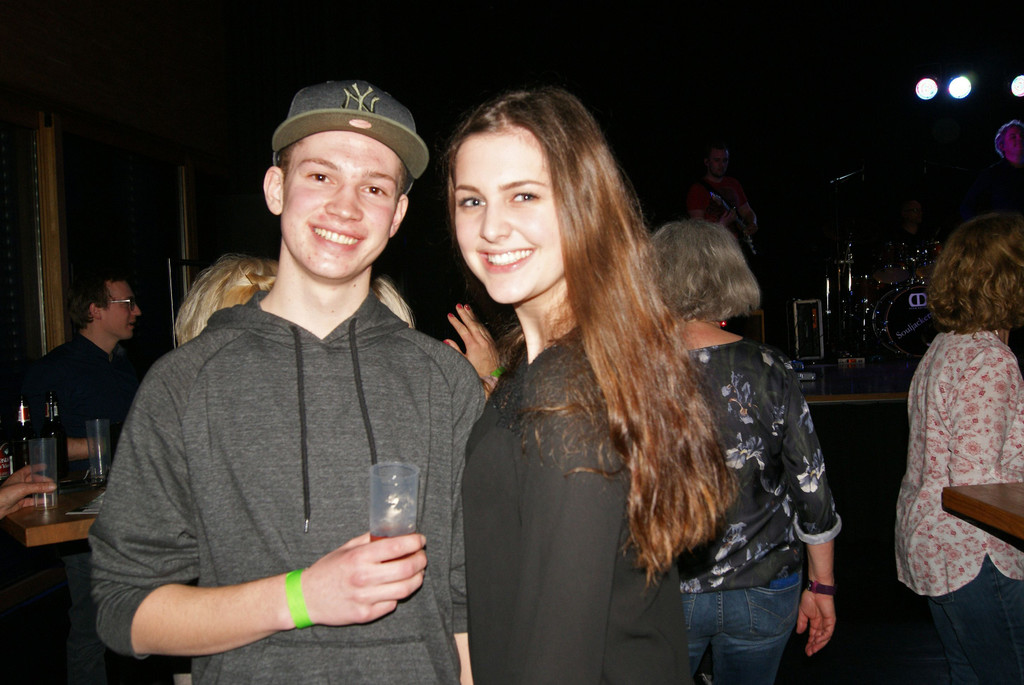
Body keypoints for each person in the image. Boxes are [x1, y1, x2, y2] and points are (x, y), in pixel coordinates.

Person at [90, 80, 484, 683]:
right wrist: (302, 597)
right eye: (321, 176)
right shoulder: (185, 383)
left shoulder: (445, 382)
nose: (346, 208)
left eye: (374, 187)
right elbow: (124, 609)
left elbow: (465, 602)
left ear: (398, 215)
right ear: (276, 189)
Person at [447, 87, 734, 684]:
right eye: (471, 200)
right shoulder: (556, 365)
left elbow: (556, 659)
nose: (491, 227)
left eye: (524, 195)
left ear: (584, 204)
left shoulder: (568, 393)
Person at [653, 220, 840, 684]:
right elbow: (811, 488)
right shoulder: (768, 365)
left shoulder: (632, 369)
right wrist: (822, 585)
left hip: (664, 593)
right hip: (764, 588)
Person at [895, 212, 1024, 683]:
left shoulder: (945, 345)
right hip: (978, 554)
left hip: (936, 546)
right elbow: (977, 487)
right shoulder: (990, 358)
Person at [20, 269, 141, 685]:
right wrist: (106, 441)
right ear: (95, 310)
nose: (137, 311)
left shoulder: (123, 366)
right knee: (91, 627)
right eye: (127, 303)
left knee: (141, 621)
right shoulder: (53, 371)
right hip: (80, 513)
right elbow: (37, 446)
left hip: (132, 506)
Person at [686, 141, 759, 251]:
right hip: (714, 248)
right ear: (706, 162)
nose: (722, 165)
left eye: (725, 160)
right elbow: (698, 229)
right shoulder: (697, 189)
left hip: (736, 246)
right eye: (717, 160)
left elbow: (747, 211)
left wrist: (752, 223)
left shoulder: (734, 184)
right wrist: (722, 224)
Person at [960, 119, 1024, 219]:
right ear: (1002, 145)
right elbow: (967, 207)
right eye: (1013, 137)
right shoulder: (992, 173)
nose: (1020, 138)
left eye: (1022, 135)